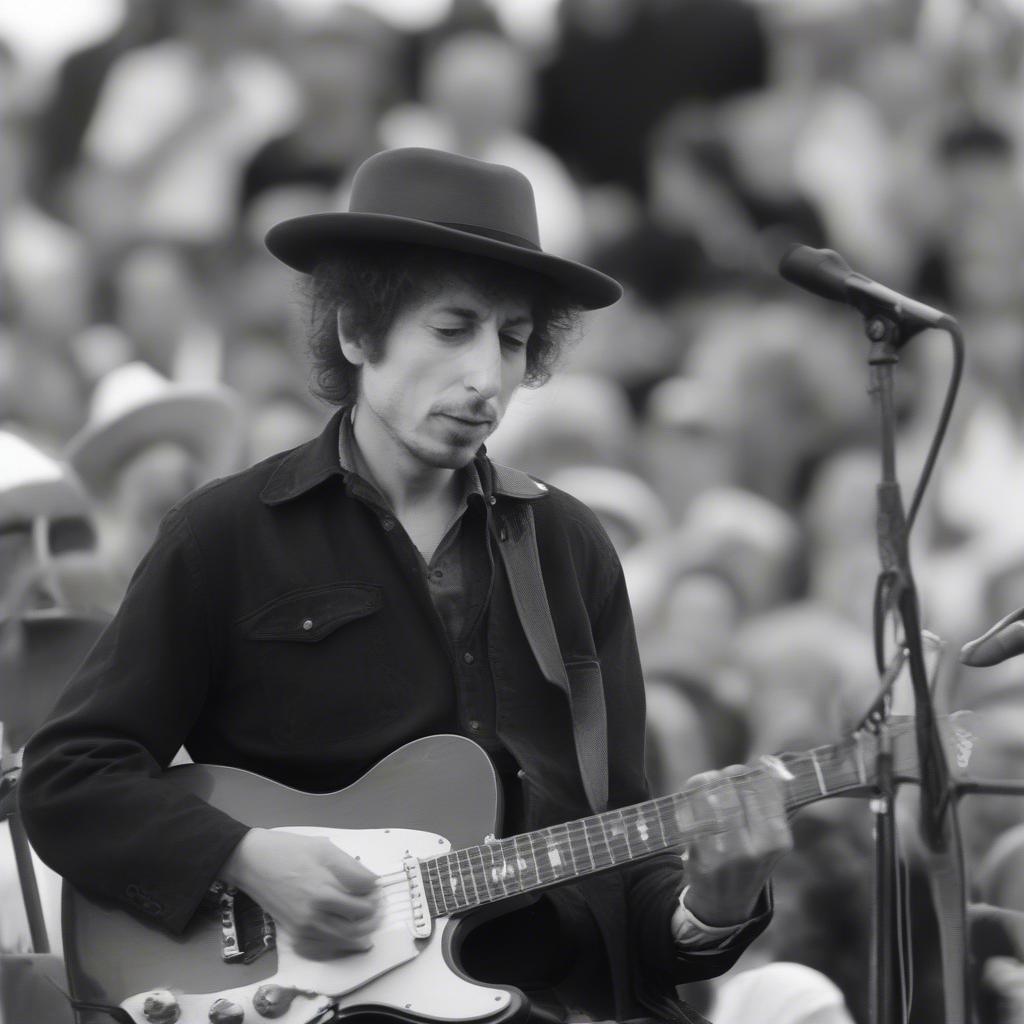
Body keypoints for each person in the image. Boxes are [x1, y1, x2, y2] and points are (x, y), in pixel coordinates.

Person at [19, 148, 791, 1022]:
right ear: (356, 330)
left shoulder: (569, 548)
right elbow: (70, 779)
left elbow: (620, 855)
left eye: (512, 341)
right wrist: (242, 856)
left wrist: (710, 910)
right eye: (452, 329)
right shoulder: (226, 533)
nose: (487, 378)